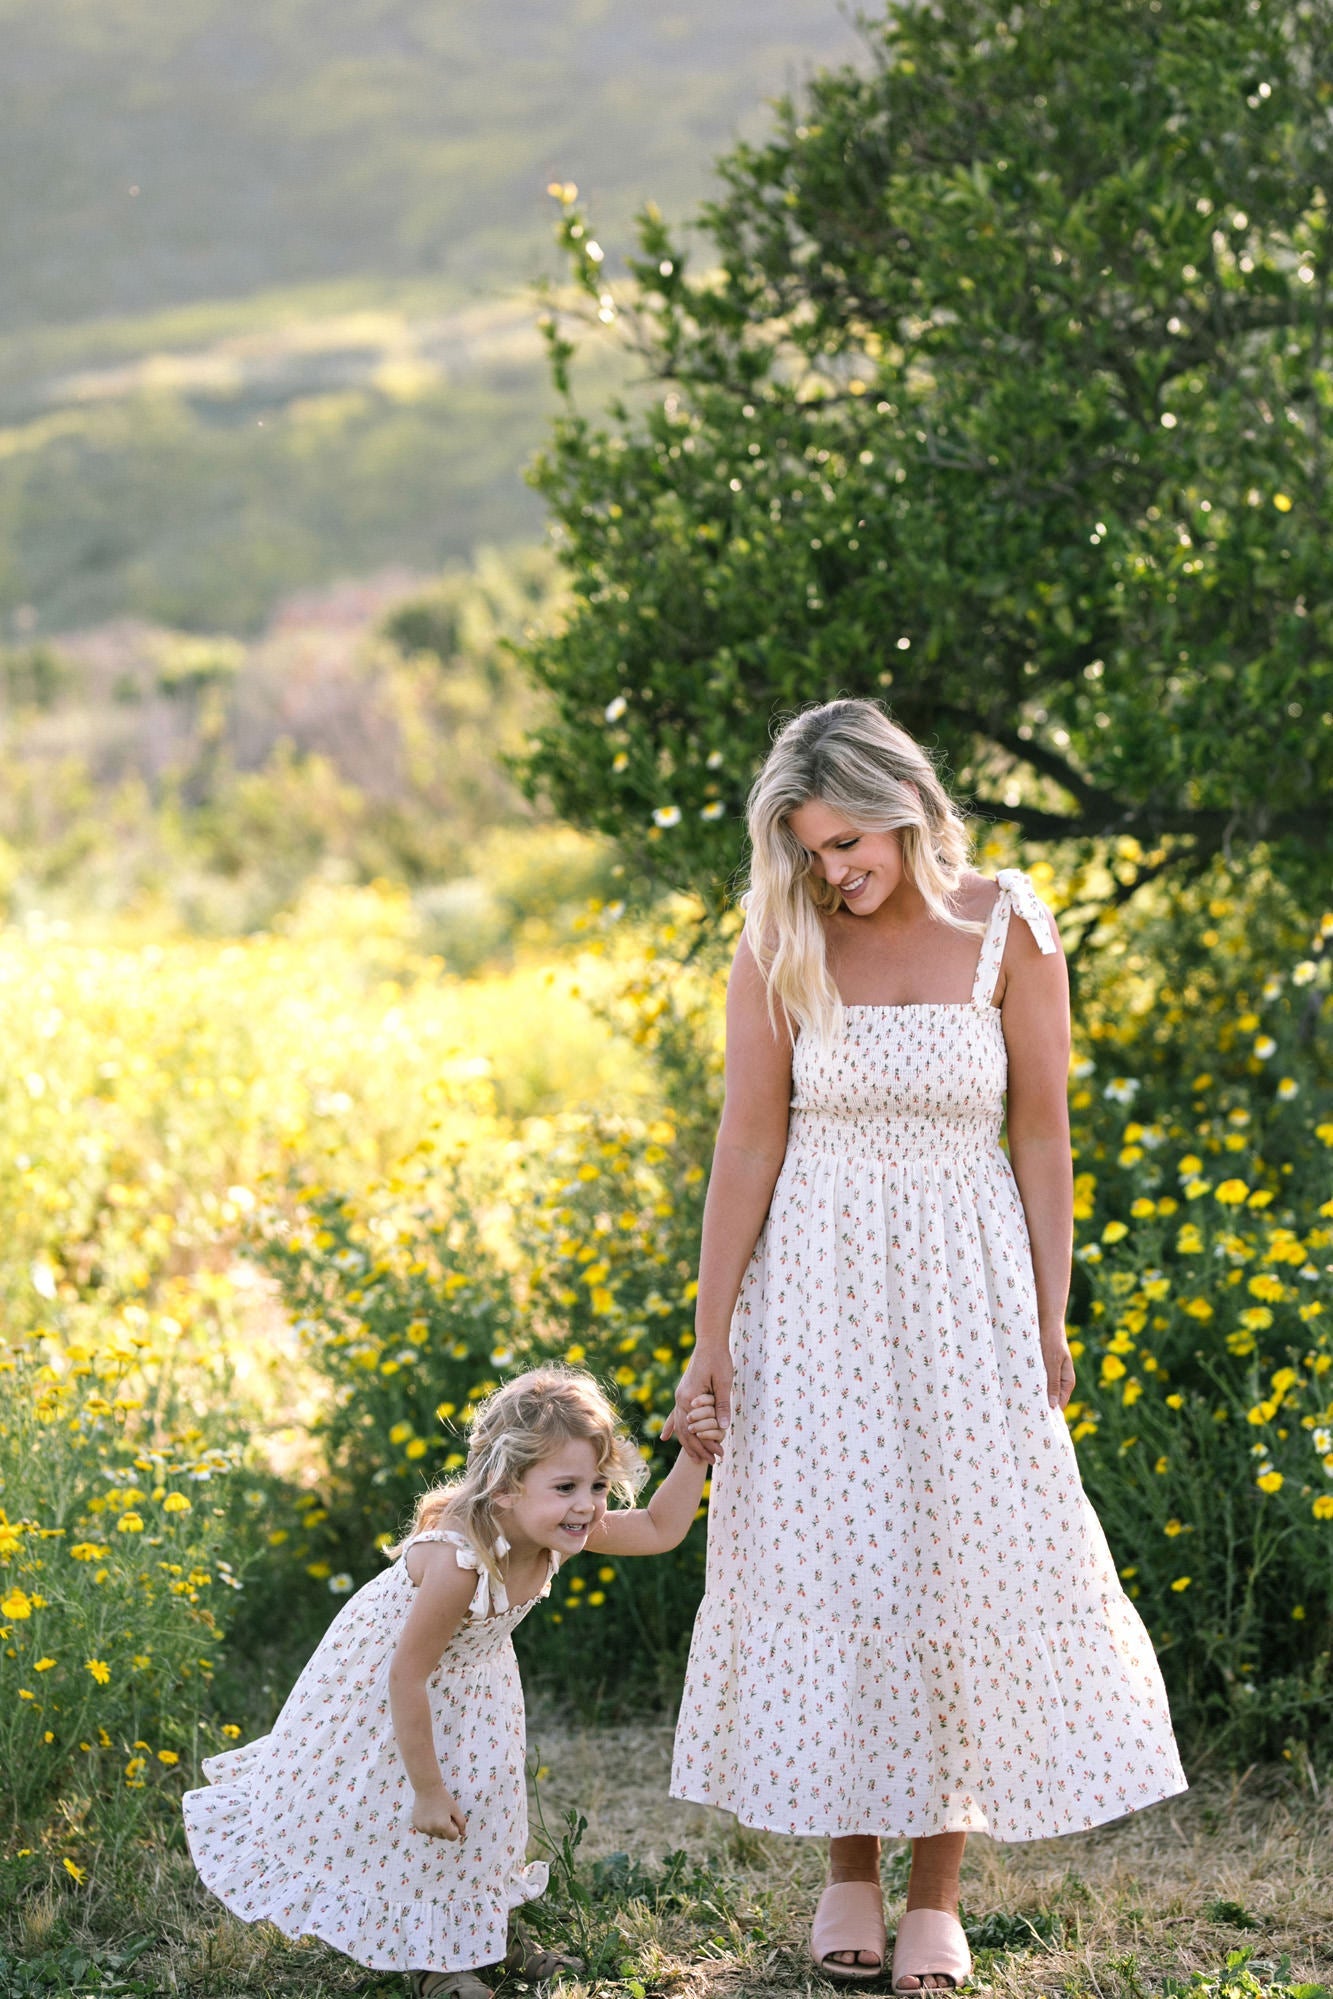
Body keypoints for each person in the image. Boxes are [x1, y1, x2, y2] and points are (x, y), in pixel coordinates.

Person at [665, 700, 1186, 1990]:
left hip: (967, 1291)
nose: (833, 871)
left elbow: (1044, 1135)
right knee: (840, 1558)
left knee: (955, 1557)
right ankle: (848, 1872)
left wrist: (1049, 1308)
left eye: (848, 842)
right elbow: (746, 1140)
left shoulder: (1010, 925)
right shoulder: (779, 940)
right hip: (819, 1292)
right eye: (810, 850)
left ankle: (936, 1895)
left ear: (903, 806)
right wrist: (708, 1329)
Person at [184, 1367, 721, 1999]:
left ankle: (485, 1931)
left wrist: (694, 1452)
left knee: (489, 1809)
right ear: (504, 1490)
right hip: (394, 1690)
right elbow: (407, 1675)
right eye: (567, 1486)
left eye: (598, 1484)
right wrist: (428, 1789)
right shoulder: (461, 1563)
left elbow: (660, 1529)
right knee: (413, 1813)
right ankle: (437, 1964)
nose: (587, 1505)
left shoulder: (553, 1525)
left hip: (476, 1685)